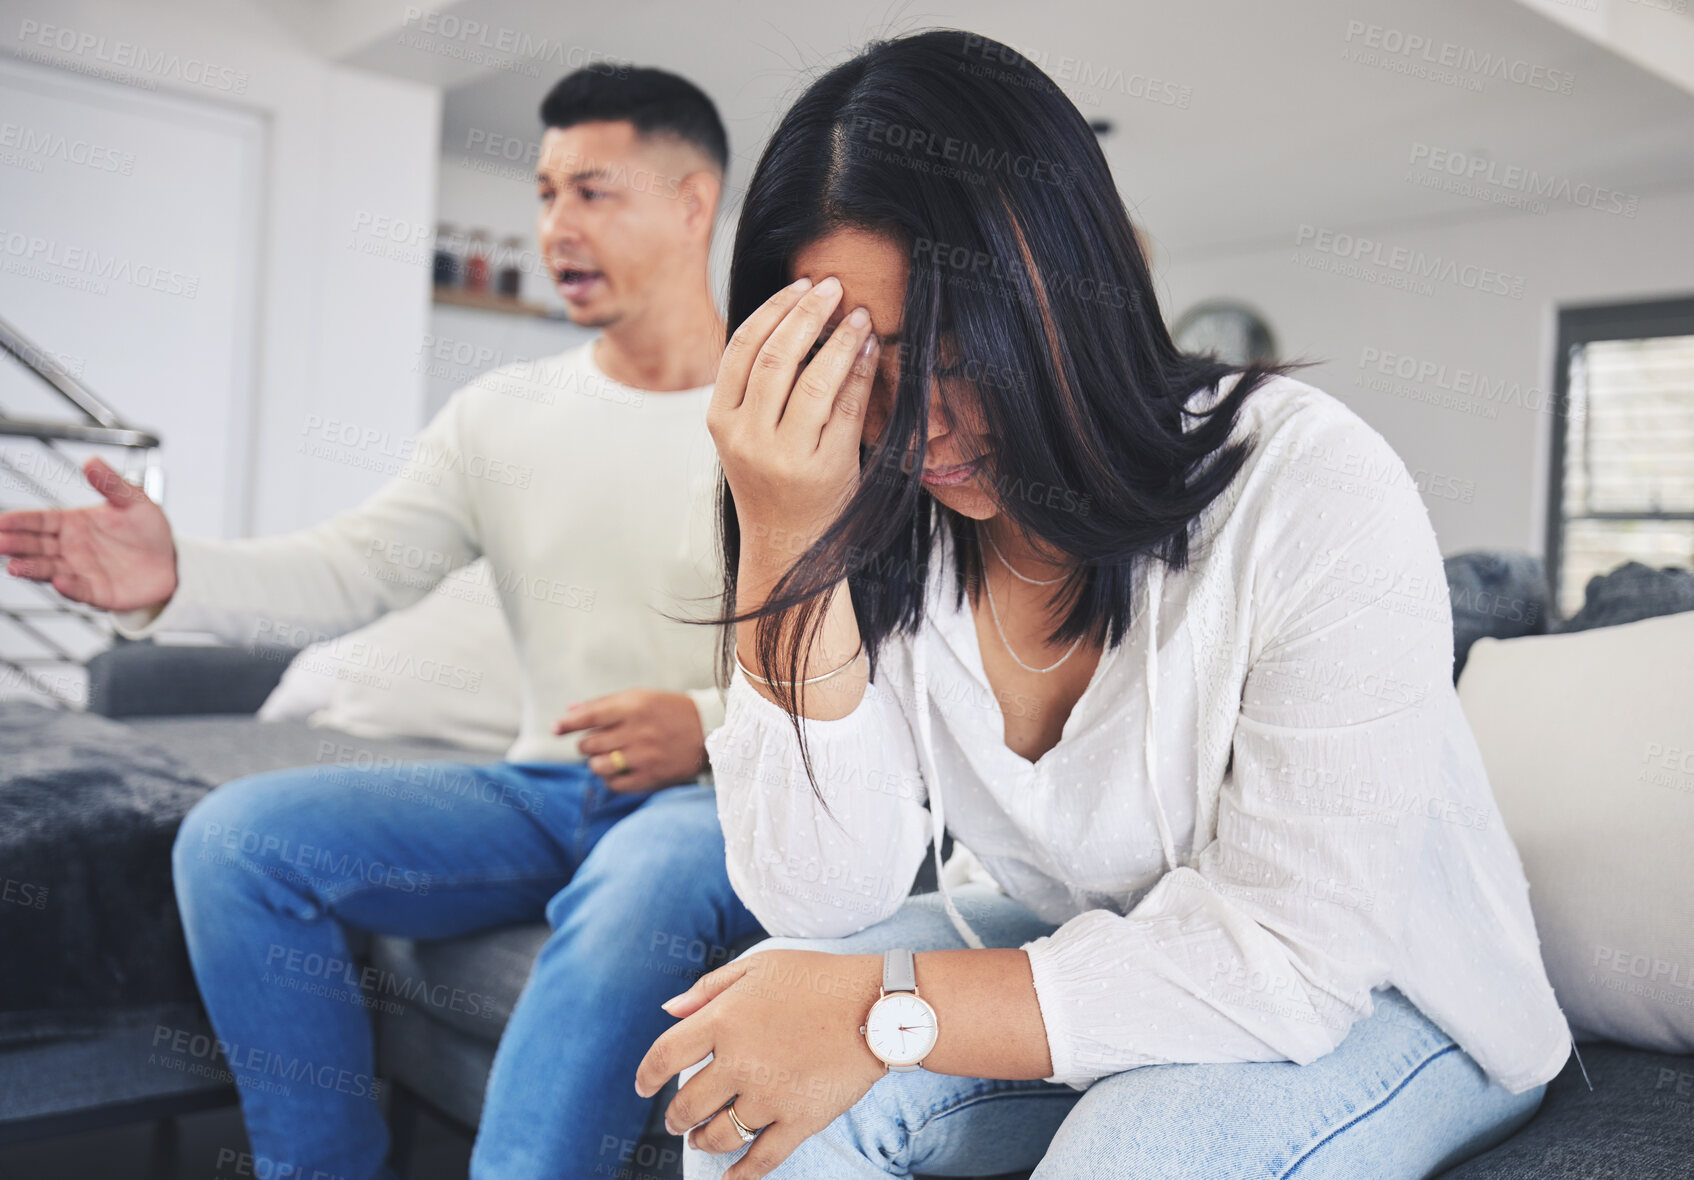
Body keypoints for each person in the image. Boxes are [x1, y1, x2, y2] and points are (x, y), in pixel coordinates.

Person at [629, 29, 1574, 1180]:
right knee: (747, 1093)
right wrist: (787, 545)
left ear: (1067, 296)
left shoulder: (1313, 485)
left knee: (1132, 1157)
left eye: (958, 348)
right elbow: (818, 895)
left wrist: (882, 1009)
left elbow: (1289, 962)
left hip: (1393, 993)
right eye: (857, 362)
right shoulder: (876, 508)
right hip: (1118, 952)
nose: (911, 424)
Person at [0, 66, 764, 1180]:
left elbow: (877, 657)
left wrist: (705, 724)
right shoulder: (502, 414)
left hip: (718, 806)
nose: (556, 226)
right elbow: (354, 569)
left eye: (592, 192)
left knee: (637, 881)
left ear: (693, 203)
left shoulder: (782, 405)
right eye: (544, 194)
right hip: (546, 786)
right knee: (236, 839)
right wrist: (178, 574)